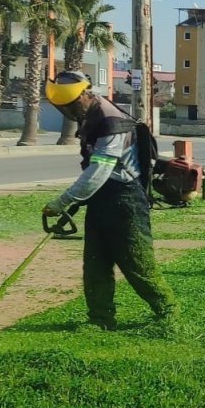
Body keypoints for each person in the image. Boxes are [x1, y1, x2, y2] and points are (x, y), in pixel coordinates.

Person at [42, 70, 177, 330]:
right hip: (101, 198)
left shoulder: (110, 121)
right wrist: (79, 200)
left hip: (125, 199)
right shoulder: (90, 116)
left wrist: (63, 201)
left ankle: (168, 312)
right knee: (95, 264)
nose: (69, 112)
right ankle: (100, 318)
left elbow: (99, 170)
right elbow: (94, 172)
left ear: (84, 94)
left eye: (71, 105)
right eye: (64, 108)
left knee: (137, 263)